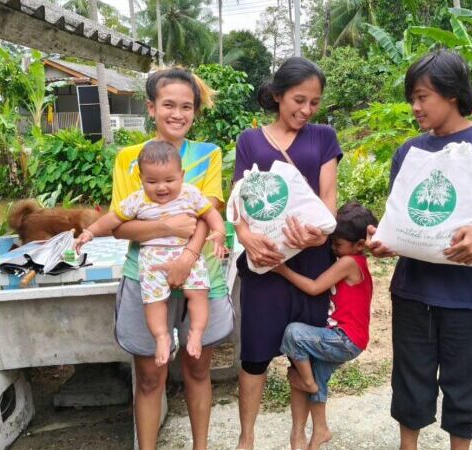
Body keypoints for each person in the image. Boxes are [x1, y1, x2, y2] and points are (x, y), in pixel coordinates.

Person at [367, 50, 472, 450]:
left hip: (468, 296)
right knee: (409, 378)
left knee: (463, 383)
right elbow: (403, 215)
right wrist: (385, 240)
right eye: (413, 97)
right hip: (413, 290)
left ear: (452, 94)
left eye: (423, 96)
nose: (415, 106)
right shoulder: (409, 152)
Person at [110, 68, 234, 450]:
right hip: (145, 278)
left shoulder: (208, 154)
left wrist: (187, 255)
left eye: (186, 106)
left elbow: (208, 214)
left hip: (201, 277)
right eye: (168, 105)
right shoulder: (129, 159)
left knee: (198, 370)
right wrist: (169, 225)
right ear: (151, 108)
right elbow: (119, 226)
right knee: (150, 375)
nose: (177, 113)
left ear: (195, 111)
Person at [233, 57, 342, 450]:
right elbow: (239, 206)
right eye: (299, 99)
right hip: (265, 265)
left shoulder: (324, 137)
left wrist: (319, 234)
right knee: (255, 356)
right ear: (277, 95)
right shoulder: (250, 141)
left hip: (312, 263)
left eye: (314, 102)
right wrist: (247, 239)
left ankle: (299, 434)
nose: (306, 110)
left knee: (303, 352)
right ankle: (247, 439)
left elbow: (329, 200)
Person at [76, 140, 228, 366]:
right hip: (153, 261)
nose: (161, 187)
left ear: (182, 175)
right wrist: (90, 232)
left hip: (189, 258)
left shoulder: (191, 194)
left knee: (198, 294)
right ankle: (161, 337)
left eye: (169, 180)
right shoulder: (137, 200)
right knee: (154, 302)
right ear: (141, 178)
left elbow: (210, 214)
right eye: (152, 181)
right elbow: (112, 219)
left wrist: (219, 232)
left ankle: (196, 332)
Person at [273, 202, 377, 450]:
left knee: (293, 333)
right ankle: (320, 430)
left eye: (338, 245)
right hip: (350, 339)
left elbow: (314, 287)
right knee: (317, 373)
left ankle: (307, 383)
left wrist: (282, 270)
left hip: (345, 338)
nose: (333, 248)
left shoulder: (349, 262)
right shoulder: (353, 258)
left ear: (359, 245)